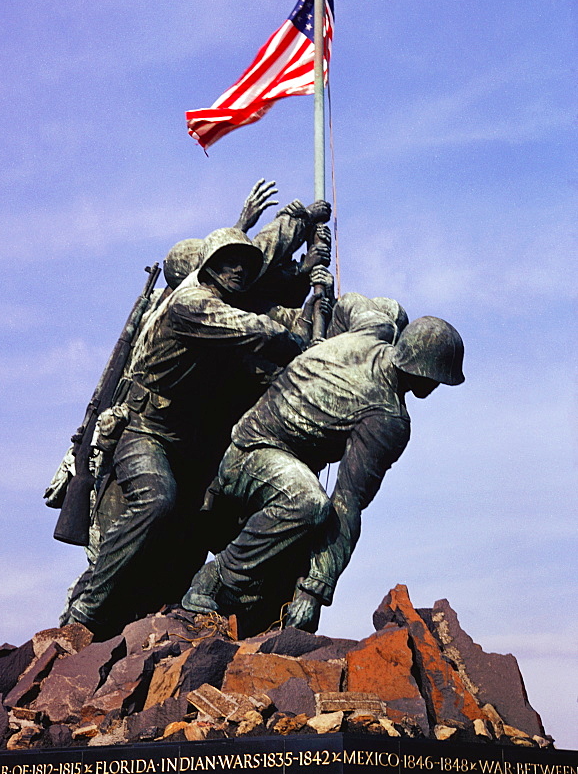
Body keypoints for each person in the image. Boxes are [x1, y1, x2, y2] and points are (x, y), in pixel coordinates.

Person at [62, 226, 323, 635]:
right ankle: (86, 609)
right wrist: (294, 343)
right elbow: (253, 330)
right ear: (208, 265)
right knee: (155, 498)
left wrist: (313, 302)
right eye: (228, 261)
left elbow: (257, 367)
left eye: (245, 264)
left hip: (191, 446)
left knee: (200, 527)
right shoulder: (192, 304)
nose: (237, 269)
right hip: (146, 432)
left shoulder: (225, 304)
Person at [181, 314, 465, 634]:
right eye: (439, 378)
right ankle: (216, 580)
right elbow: (347, 503)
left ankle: (260, 617)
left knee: (302, 529)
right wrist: (316, 589)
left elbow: (348, 306)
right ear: (424, 373)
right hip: (252, 455)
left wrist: (327, 337)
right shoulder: (387, 419)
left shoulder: (373, 327)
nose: (437, 385)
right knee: (308, 504)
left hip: (269, 459)